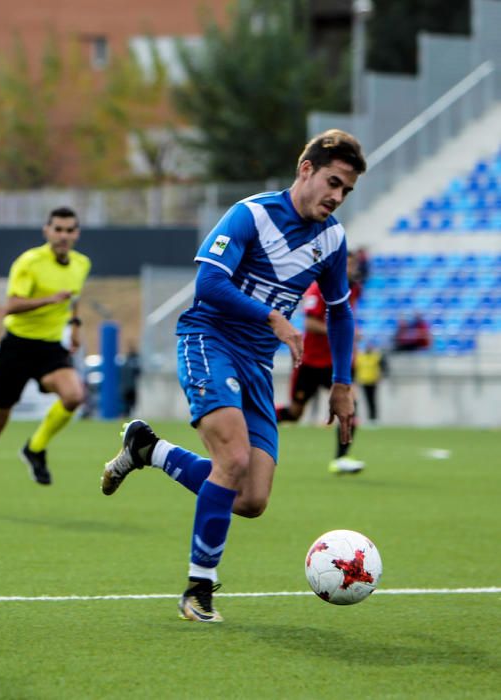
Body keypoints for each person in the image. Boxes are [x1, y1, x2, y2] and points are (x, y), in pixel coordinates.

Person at [99, 129, 366, 623]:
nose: (337, 196)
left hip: (256, 364)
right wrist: (271, 317)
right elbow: (209, 283)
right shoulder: (251, 214)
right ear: (305, 169)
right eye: (333, 182)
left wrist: (343, 383)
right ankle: (198, 589)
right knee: (234, 457)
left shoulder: (332, 238)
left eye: (347, 190)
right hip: (208, 341)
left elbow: (340, 312)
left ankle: (148, 450)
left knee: (252, 499)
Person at [0, 206, 91, 512]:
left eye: (70, 230)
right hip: (16, 347)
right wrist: (49, 300)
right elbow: (11, 305)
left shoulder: (81, 264)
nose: (64, 236)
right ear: (47, 231)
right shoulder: (30, 262)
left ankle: (35, 448)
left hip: (50, 349)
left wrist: (75, 326)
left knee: (74, 395)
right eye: (58, 229)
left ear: (76, 234)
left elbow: (74, 299)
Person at [275, 255, 365, 474]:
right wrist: (343, 331)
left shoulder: (355, 289)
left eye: (353, 264)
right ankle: (253, 419)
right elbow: (310, 323)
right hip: (310, 362)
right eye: (348, 264)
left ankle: (341, 458)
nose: (352, 268)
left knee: (350, 404)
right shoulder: (318, 289)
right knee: (295, 414)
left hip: (335, 363)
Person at [355, 342, 386, 422]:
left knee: (372, 400)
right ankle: (363, 418)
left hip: (373, 381)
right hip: (363, 381)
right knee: (363, 400)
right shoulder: (360, 357)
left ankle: (373, 418)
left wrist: (379, 377)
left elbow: (382, 367)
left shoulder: (376, 356)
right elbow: (356, 368)